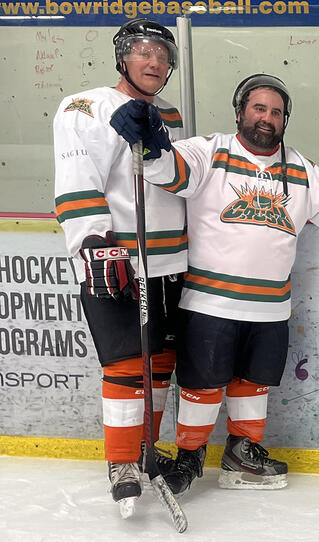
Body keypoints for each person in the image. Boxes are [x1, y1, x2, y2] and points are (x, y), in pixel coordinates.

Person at [108, 73, 319, 496]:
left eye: (276, 112)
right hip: (210, 304)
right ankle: (190, 457)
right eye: (259, 109)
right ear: (240, 112)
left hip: (270, 307)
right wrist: (153, 141)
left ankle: (241, 452)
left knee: (254, 382)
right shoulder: (209, 152)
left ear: (285, 120)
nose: (267, 118)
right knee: (201, 385)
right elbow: (169, 170)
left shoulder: (301, 169)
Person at [52, 18, 185, 517]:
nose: (154, 62)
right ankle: (123, 462)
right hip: (119, 260)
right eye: (143, 51)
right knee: (128, 366)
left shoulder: (168, 111)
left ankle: (148, 450)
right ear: (122, 57)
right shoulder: (84, 106)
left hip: (172, 263)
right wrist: (93, 245)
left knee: (160, 366)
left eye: (163, 54)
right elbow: (77, 182)